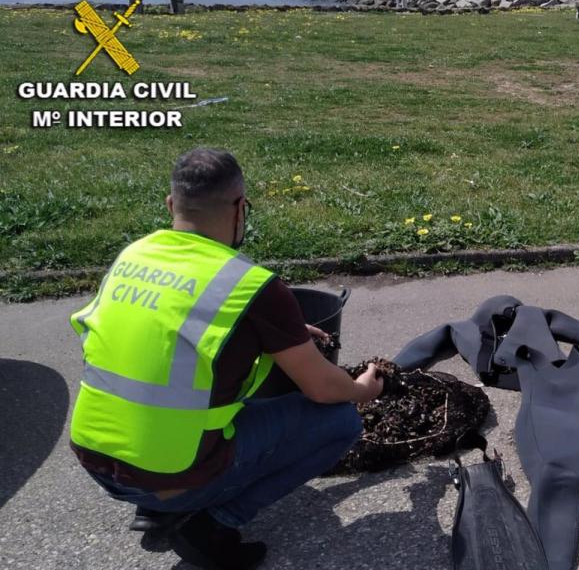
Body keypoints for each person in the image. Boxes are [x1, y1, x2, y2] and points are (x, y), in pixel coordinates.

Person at [67, 148, 382, 570]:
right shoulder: (249, 284)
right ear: (240, 208)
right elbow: (323, 388)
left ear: (171, 205)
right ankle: (213, 522)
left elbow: (166, 335)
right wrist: (362, 390)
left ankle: (160, 506)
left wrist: (278, 333)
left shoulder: (133, 256)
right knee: (342, 421)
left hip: (95, 459)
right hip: (171, 473)